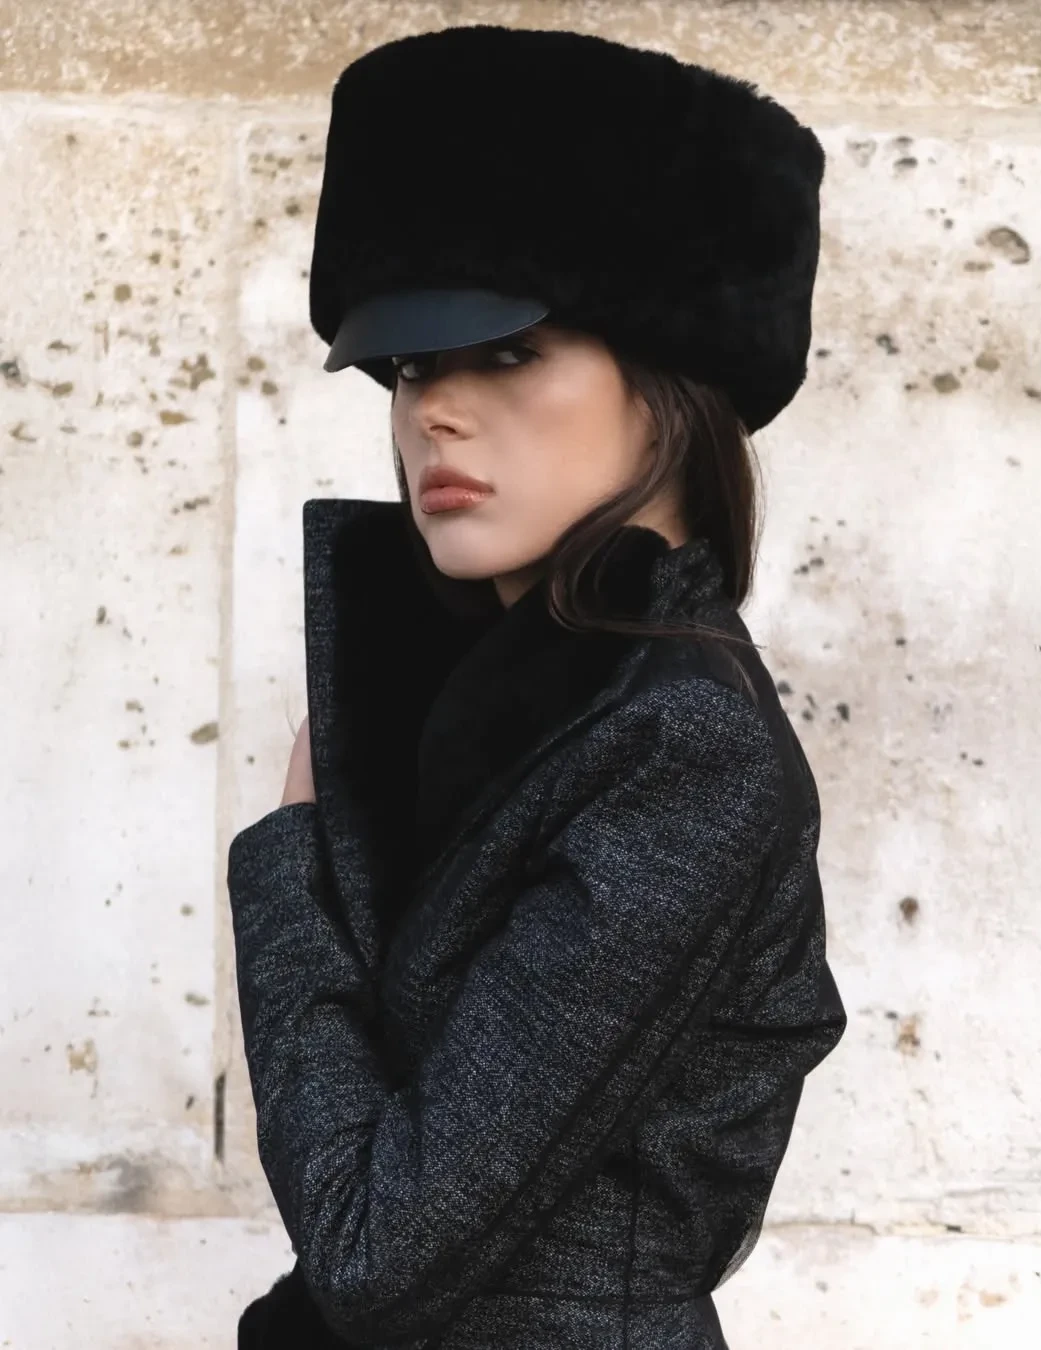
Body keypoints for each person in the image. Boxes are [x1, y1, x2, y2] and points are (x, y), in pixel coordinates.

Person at [227, 23, 848, 1349]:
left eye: (504, 353)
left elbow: (378, 1249)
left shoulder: (680, 750)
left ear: (667, 383)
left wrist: (288, 863)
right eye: (408, 367)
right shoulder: (521, 718)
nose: (431, 412)